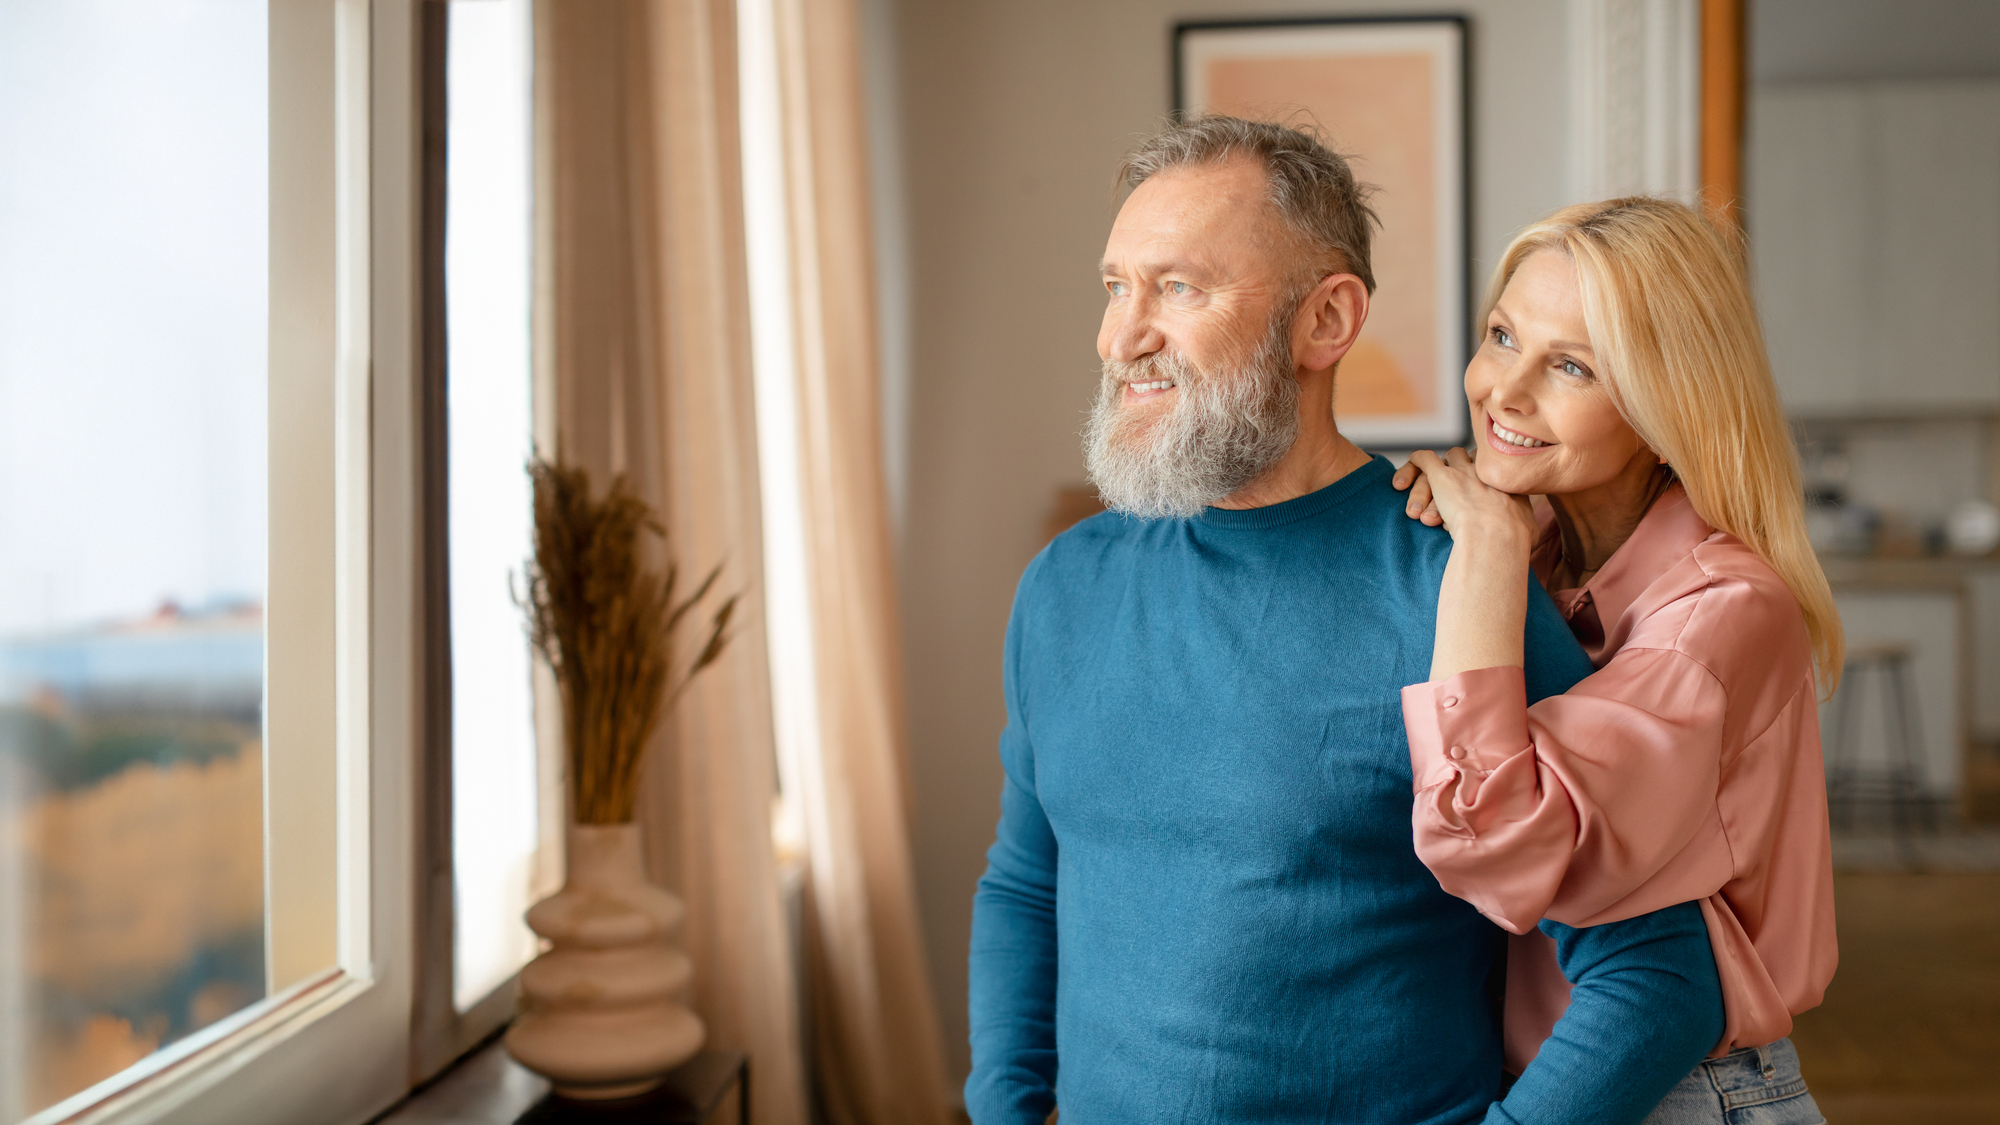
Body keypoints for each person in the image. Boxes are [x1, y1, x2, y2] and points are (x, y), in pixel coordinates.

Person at [966, 116, 1725, 1125]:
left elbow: (1655, 977)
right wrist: (1004, 1108)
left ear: (1324, 321)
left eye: (1177, 288)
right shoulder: (1061, 588)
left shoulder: (1461, 594)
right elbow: (1025, 883)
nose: (1121, 338)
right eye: (1116, 287)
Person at [1392, 197, 1838, 1124]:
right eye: (1502, 334)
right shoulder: (1546, 557)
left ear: (1661, 401)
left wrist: (1480, 558)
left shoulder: (1722, 615)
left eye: (1571, 366)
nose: (1503, 391)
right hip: (1549, 1078)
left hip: (1683, 1095)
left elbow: (1499, 846)